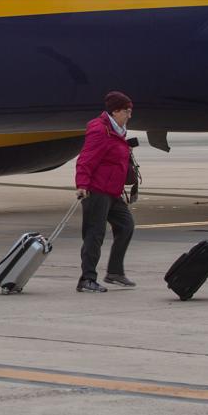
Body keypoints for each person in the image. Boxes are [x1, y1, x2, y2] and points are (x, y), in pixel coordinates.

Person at [74, 91, 137, 293]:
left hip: (112, 191)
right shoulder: (100, 130)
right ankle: (87, 279)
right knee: (95, 234)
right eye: (127, 111)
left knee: (126, 225)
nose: (129, 115)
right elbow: (86, 158)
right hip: (96, 191)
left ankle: (115, 272)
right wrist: (82, 184)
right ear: (116, 111)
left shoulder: (118, 129)